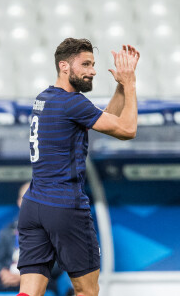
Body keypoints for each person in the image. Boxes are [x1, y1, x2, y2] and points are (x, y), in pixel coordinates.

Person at [17, 38, 140, 296]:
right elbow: (127, 129)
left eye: (93, 64)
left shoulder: (45, 98)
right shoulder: (72, 103)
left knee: (29, 291)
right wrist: (129, 83)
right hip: (64, 206)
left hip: (33, 206)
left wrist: (119, 86)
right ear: (64, 66)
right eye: (85, 64)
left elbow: (106, 119)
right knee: (86, 290)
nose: (92, 70)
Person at [0, 182, 71, 296]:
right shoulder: (8, 230)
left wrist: (27, 277)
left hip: (38, 281)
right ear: (20, 202)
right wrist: (3, 273)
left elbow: (57, 266)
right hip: (10, 280)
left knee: (58, 286)